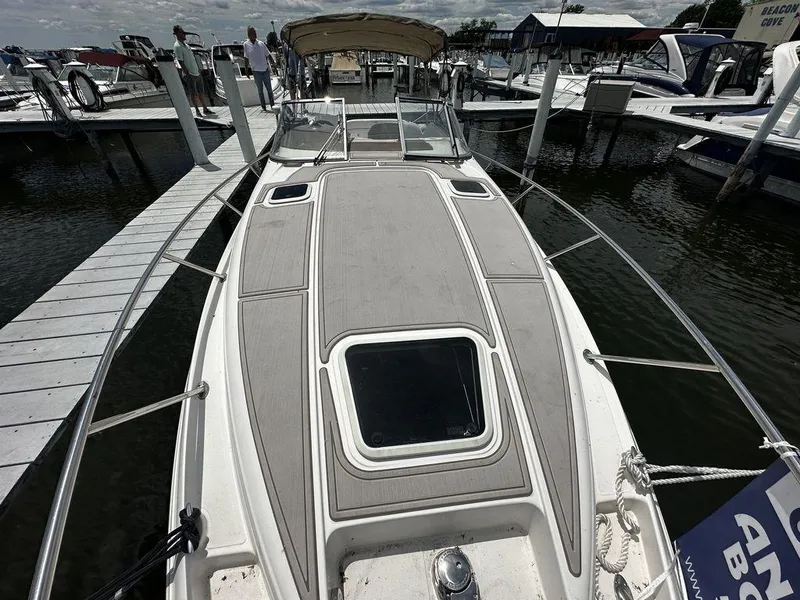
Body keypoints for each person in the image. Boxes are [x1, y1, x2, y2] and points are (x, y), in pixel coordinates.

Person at [173, 25, 213, 117]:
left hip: (196, 72)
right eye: (182, 32)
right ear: (177, 34)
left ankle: (205, 108)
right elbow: (180, 60)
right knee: (193, 93)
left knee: (201, 91)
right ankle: (197, 110)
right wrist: (186, 71)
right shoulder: (177, 46)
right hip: (189, 74)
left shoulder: (186, 45)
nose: (184, 34)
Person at [243, 26, 275, 111]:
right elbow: (246, 58)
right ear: (249, 34)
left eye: (255, 32)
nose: (254, 33)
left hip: (265, 70)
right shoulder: (246, 44)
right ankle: (263, 107)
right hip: (256, 71)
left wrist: (273, 63)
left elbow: (268, 54)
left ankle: (272, 105)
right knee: (260, 90)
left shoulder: (261, 43)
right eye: (252, 32)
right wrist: (246, 71)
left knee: (269, 90)